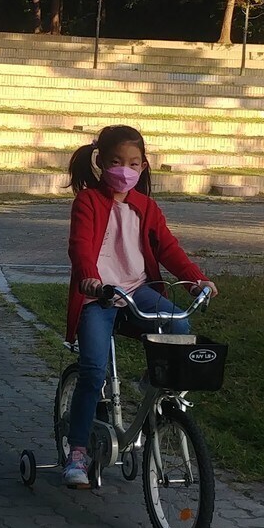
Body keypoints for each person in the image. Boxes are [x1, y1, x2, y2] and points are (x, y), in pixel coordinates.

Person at [63, 124, 217, 489]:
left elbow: (168, 248)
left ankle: (152, 384)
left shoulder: (146, 207)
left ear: (143, 166)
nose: (124, 170)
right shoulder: (87, 202)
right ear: (101, 162)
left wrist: (196, 279)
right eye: (116, 162)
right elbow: (80, 246)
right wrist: (89, 277)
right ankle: (78, 452)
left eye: (133, 163)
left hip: (137, 289)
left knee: (178, 325)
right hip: (98, 295)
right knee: (93, 372)